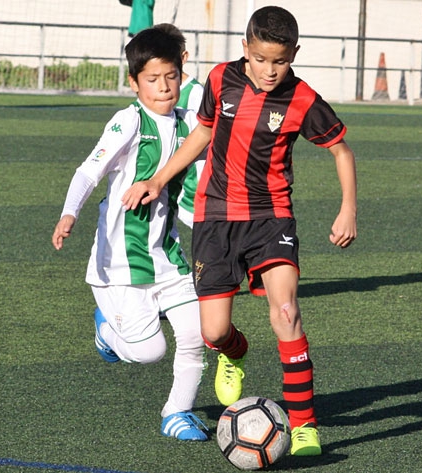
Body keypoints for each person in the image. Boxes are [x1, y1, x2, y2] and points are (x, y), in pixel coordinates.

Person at [122, 6, 358, 456]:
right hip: (214, 217)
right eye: (262, 59)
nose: (271, 71)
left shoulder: (303, 99)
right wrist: (159, 179)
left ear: (295, 54)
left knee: (286, 311)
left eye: (281, 61)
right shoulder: (219, 79)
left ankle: (305, 424)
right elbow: (203, 133)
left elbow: (341, 152)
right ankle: (234, 352)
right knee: (213, 331)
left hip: (272, 216)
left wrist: (348, 209)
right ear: (244, 48)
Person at [51, 26, 209, 442]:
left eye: (171, 77)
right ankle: (107, 332)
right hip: (121, 260)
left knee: (198, 334)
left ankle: (177, 412)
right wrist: (70, 213)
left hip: (167, 254)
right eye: (153, 79)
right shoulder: (128, 121)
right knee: (150, 352)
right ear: (134, 81)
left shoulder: (189, 125)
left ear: (181, 73)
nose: (164, 87)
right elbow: (89, 171)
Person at [153, 22, 205, 228]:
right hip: (166, 187)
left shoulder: (196, 94)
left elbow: (201, 143)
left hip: (190, 195)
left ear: (184, 58)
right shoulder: (153, 90)